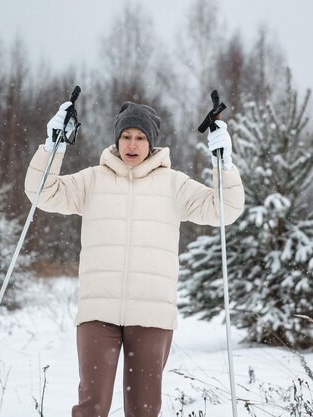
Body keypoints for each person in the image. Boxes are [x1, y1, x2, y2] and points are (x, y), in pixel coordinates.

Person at [24, 101, 245, 417]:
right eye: (126, 136)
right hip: (98, 312)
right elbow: (41, 192)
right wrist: (52, 147)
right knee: (91, 407)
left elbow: (226, 208)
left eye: (140, 137)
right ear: (116, 139)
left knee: (143, 409)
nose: (132, 144)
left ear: (151, 142)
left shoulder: (173, 185)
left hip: (151, 313)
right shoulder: (93, 181)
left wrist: (223, 166)